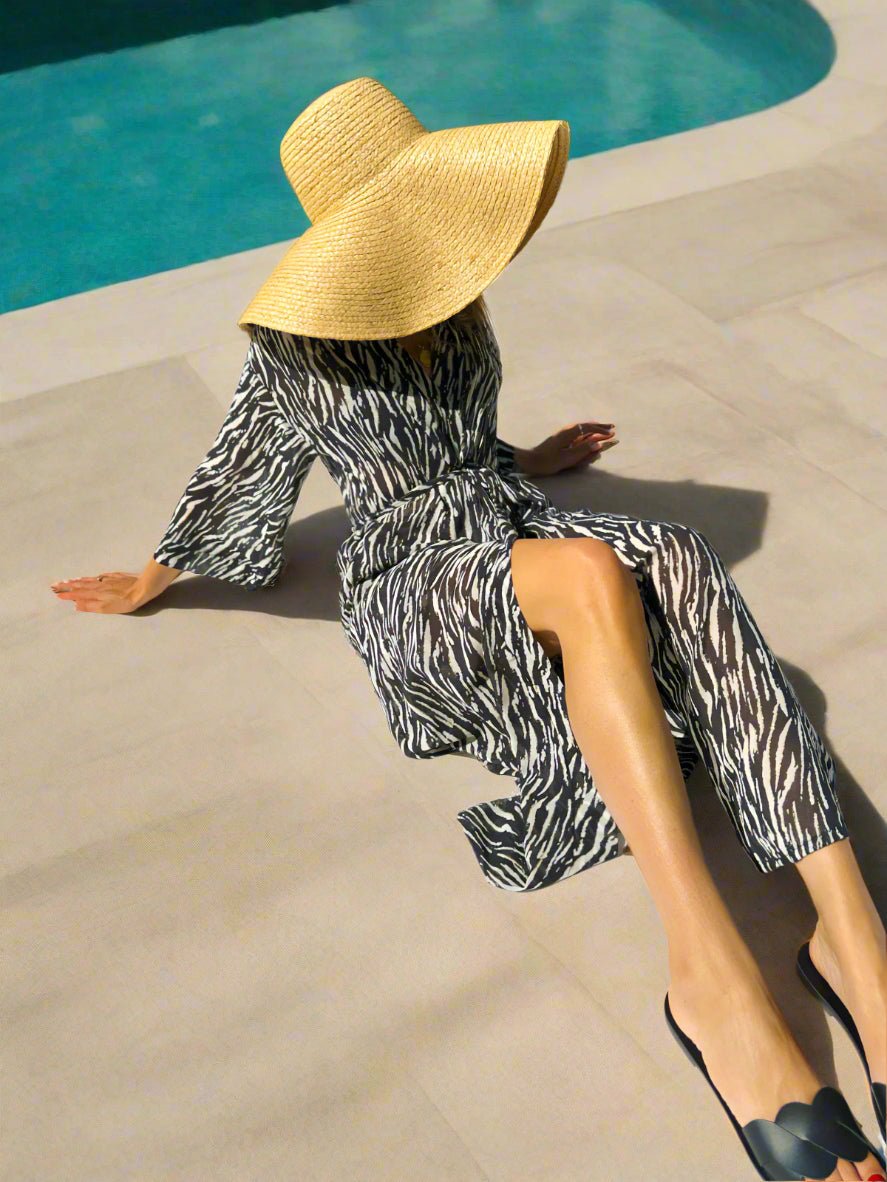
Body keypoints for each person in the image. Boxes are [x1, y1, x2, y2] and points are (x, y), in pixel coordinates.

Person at [50, 77, 885, 1180]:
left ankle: (856, 950)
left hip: (506, 521)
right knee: (591, 571)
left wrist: (523, 459)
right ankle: (710, 977)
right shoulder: (291, 341)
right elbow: (238, 469)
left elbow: (454, 432)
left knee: (675, 553)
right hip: (412, 581)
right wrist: (157, 578)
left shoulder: (451, 286)